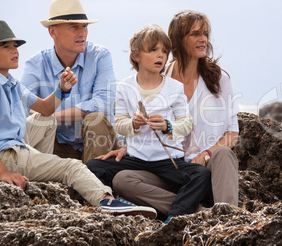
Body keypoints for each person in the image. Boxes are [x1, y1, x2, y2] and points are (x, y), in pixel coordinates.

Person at [0, 20, 157, 219]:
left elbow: (44, 108)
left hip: (6, 146)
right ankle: (105, 200)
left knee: (45, 119)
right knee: (71, 166)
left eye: (15, 46)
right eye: (6, 46)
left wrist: (62, 89)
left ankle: (39, 172)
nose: (14, 51)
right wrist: (3, 173)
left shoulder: (9, 81)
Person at [102, 11, 240, 218]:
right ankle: (196, 213)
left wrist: (205, 155)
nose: (203, 39)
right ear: (177, 41)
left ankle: (227, 217)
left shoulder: (219, 79)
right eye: (195, 34)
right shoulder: (158, 76)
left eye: (205, 34)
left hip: (208, 173)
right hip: (171, 172)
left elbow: (232, 133)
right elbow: (145, 125)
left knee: (224, 154)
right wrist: (127, 147)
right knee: (123, 179)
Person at [86, 25, 211, 221]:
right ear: (136, 55)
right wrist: (133, 124)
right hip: (136, 159)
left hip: (168, 161)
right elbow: (119, 123)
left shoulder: (175, 87)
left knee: (201, 175)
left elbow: (186, 123)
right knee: (93, 167)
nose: (160, 56)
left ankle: (174, 216)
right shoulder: (125, 87)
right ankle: (126, 205)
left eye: (164, 51)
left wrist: (167, 126)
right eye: (153, 50)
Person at [21, 0, 121, 163]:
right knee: (33, 125)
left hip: (100, 145)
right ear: (53, 32)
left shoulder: (100, 56)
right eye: (74, 27)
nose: (82, 33)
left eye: (84, 26)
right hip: (56, 146)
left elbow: (103, 103)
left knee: (95, 119)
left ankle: (94, 182)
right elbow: (21, 110)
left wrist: (51, 115)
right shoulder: (35, 64)